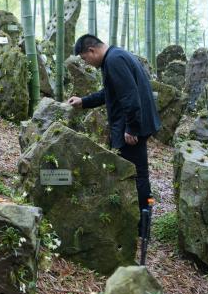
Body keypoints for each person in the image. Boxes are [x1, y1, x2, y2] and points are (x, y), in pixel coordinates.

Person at [67, 34, 161, 211]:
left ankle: (142, 225)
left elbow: (130, 96)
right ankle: (140, 220)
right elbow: (110, 93)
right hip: (135, 124)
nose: (86, 63)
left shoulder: (114, 61)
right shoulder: (116, 56)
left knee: (136, 175)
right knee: (136, 173)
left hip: (132, 129)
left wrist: (132, 128)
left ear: (91, 50)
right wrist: (84, 101)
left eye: (84, 59)